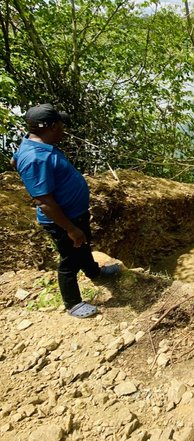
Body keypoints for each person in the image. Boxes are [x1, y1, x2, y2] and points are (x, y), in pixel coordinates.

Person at [12, 104, 121, 318]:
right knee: (69, 260)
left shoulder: (34, 145)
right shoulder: (36, 158)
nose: (64, 128)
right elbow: (44, 202)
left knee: (84, 246)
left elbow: (14, 160)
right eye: (60, 124)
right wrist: (70, 229)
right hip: (63, 221)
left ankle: (95, 272)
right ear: (52, 127)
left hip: (74, 213)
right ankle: (73, 303)